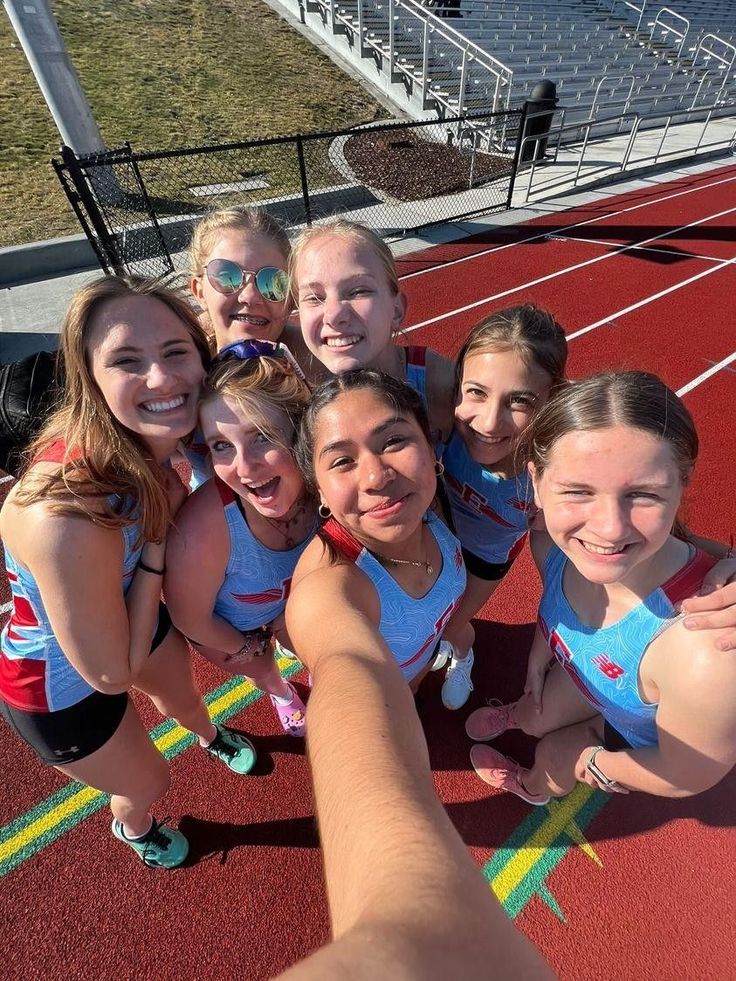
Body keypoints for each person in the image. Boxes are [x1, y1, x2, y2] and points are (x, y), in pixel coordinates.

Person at [0, 277, 256, 870]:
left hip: (127, 603)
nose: (163, 379)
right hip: (61, 688)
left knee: (185, 697)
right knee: (149, 783)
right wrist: (159, 542)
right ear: (90, 380)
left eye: (175, 352)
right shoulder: (64, 514)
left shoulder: (153, 438)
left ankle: (211, 737)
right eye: (126, 360)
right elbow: (112, 674)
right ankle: (133, 828)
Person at [279, 547, 552, 981]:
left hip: (424, 649)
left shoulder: (441, 516)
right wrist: (407, 904)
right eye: (342, 470)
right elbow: (346, 662)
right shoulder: (325, 579)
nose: (373, 475)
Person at [467, 371, 736, 804]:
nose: (609, 531)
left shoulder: (707, 650)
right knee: (535, 717)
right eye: (577, 491)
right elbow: (555, 602)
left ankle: (531, 787)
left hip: (630, 734)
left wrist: (589, 760)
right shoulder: (551, 544)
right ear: (536, 483)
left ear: (681, 488)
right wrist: (541, 653)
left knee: (552, 753)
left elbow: (687, 775)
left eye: (642, 495)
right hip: (587, 675)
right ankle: (520, 717)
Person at [164, 341, 316, 735]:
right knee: (263, 668)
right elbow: (191, 619)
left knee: (315, 648)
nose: (244, 468)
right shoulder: (203, 529)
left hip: (291, 603)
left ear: (300, 430)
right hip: (229, 628)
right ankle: (281, 695)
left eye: (262, 436)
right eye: (221, 446)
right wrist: (242, 647)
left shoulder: (328, 487)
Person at [289, 369, 466, 693]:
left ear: (430, 448)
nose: (376, 477)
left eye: (394, 441)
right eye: (342, 461)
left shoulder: (429, 504)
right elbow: (342, 682)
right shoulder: (331, 582)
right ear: (320, 492)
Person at [435, 305, 568, 711]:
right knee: (422, 624)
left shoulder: (550, 475)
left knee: (452, 625)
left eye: (519, 401)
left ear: (551, 400)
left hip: (483, 560)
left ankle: (464, 655)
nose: (489, 423)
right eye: (476, 392)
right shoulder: (437, 418)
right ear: (456, 384)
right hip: (430, 537)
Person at [290, 219, 456, 444]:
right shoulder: (296, 380)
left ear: (396, 310)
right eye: (314, 297)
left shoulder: (446, 388)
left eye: (358, 291)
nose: (334, 315)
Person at [184, 205, 315, 486]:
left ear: (289, 298)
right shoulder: (177, 372)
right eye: (227, 275)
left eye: (273, 282)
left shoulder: (316, 361)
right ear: (198, 290)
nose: (251, 295)